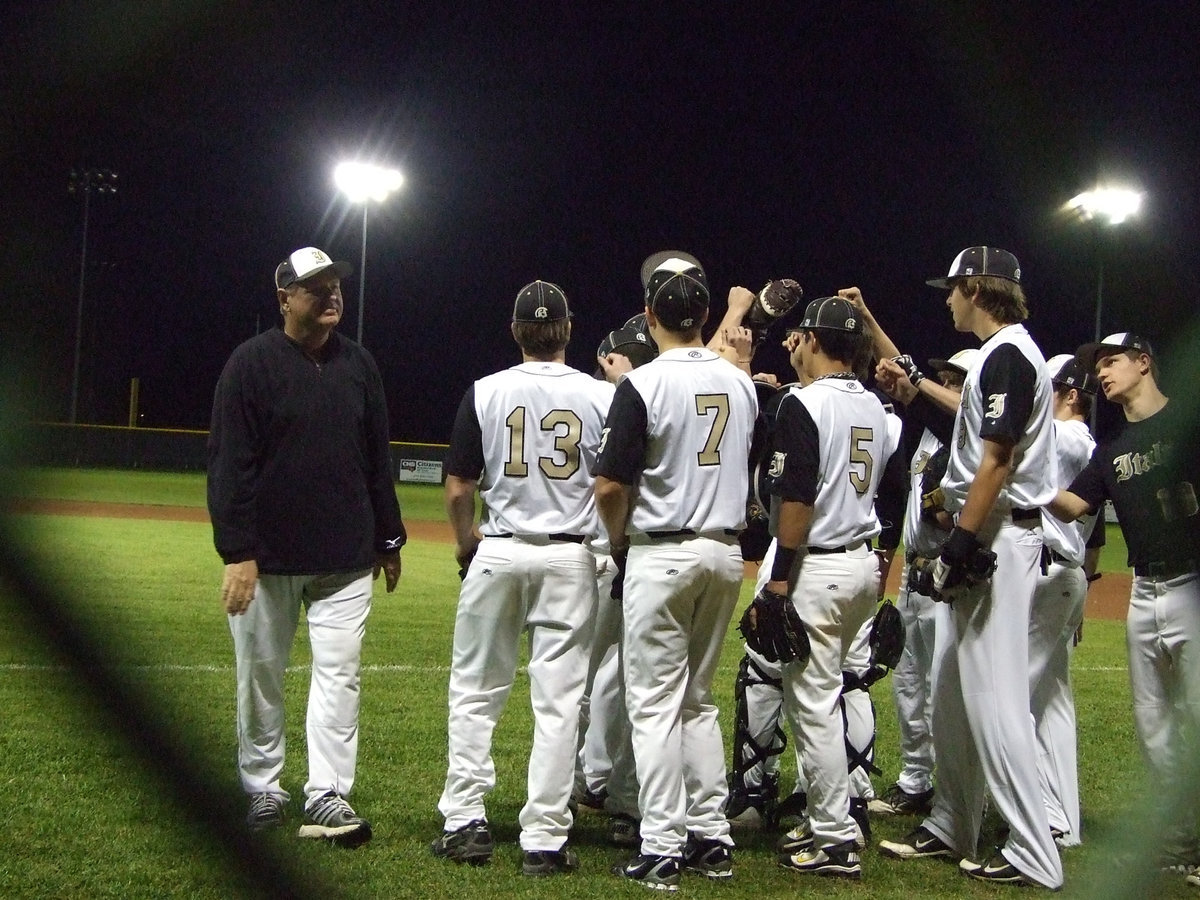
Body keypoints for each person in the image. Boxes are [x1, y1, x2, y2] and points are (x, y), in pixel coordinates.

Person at [876, 246, 1063, 889]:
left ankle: (1035, 851)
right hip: (991, 532)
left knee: (994, 700)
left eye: (953, 288)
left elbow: (998, 461)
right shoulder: (997, 354)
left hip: (999, 536)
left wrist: (960, 541)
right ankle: (953, 822)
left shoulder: (1009, 352)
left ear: (979, 290)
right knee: (951, 692)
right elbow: (971, 427)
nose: (946, 298)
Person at [207, 246, 405, 847]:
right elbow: (228, 465)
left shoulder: (359, 364)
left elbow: (377, 456)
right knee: (261, 675)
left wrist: (389, 537)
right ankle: (264, 786)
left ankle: (327, 792)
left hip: (344, 558)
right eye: (316, 288)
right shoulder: (250, 364)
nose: (331, 296)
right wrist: (237, 551)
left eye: (336, 287)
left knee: (339, 675)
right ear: (284, 298)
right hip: (266, 559)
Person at [430, 280, 615, 876]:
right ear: (568, 329)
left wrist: (466, 544)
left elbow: (459, 486)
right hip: (570, 557)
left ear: (515, 331)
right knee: (560, 704)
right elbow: (617, 485)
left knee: (476, 693)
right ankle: (544, 837)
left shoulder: (486, 391)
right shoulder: (601, 396)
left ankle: (464, 823)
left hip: (500, 551)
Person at [595, 253, 757, 889]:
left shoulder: (645, 383)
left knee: (654, 704)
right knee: (696, 702)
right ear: (708, 315)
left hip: (663, 550)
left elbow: (610, 486)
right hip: (724, 554)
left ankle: (661, 843)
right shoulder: (740, 381)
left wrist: (617, 542)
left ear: (649, 314)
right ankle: (711, 835)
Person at [1046, 332, 1200, 882]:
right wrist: (1015, 466)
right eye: (1097, 366)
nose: (1101, 373)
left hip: (1193, 588)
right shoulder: (1111, 449)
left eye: (1111, 362)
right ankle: (1181, 843)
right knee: (1154, 727)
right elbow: (1069, 505)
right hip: (1144, 593)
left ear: (1143, 362)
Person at [761, 296, 900, 881]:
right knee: (835, 692)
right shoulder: (875, 405)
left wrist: (779, 580)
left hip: (817, 565)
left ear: (814, 341)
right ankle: (836, 813)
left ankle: (835, 837)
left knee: (812, 704)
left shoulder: (805, 403)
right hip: (863, 565)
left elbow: (797, 497)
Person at [1028, 353, 1098, 848]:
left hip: (1049, 574)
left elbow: (1016, 440)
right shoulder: (1073, 440)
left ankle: (1042, 815)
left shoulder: (1071, 438)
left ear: (1072, 394)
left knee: (1013, 698)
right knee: (1052, 704)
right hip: (1065, 576)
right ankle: (1061, 819)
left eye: (1048, 387)